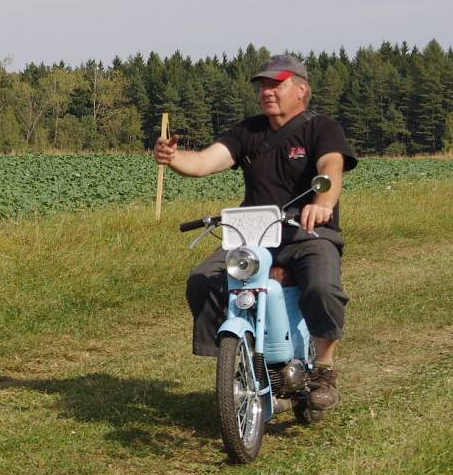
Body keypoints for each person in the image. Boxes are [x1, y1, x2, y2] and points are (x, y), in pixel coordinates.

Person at [152, 54, 357, 411]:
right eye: (262, 86)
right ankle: (235, 362)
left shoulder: (322, 128)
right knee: (203, 279)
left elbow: (331, 167)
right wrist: (174, 158)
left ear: (301, 89)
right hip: (253, 234)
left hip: (307, 231)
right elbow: (203, 162)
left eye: (276, 84)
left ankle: (324, 369)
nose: (266, 92)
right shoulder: (248, 131)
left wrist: (322, 202)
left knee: (323, 287)